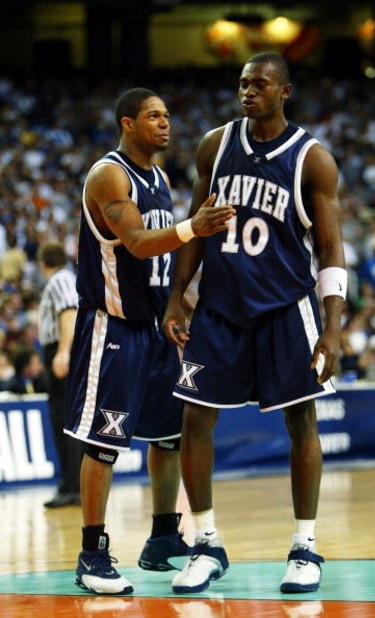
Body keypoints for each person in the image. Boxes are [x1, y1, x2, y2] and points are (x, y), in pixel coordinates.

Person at [162, 53, 347, 595]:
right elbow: (195, 229)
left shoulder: (312, 159)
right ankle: (207, 544)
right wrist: (177, 295)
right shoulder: (215, 146)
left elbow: (331, 249)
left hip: (286, 309)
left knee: (301, 424)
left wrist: (332, 327)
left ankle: (305, 547)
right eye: (243, 83)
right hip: (220, 308)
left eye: (260, 84)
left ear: (284, 91)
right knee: (194, 422)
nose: (248, 91)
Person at [63, 87, 235, 595]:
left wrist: (178, 302)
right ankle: (91, 555)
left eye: (167, 116)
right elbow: (138, 244)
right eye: (153, 117)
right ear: (127, 124)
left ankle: (163, 537)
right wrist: (192, 227)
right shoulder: (109, 174)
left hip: (156, 326)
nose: (165, 124)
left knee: (170, 433)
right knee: (104, 441)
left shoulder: (158, 176)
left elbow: (160, 259)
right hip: (112, 326)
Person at [37, 241, 84, 508]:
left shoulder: (59, 280)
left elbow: (69, 312)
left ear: (43, 263)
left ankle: (73, 488)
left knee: (66, 421)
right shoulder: (65, 277)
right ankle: (70, 486)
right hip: (61, 349)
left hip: (62, 349)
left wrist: (63, 351)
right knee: (64, 420)